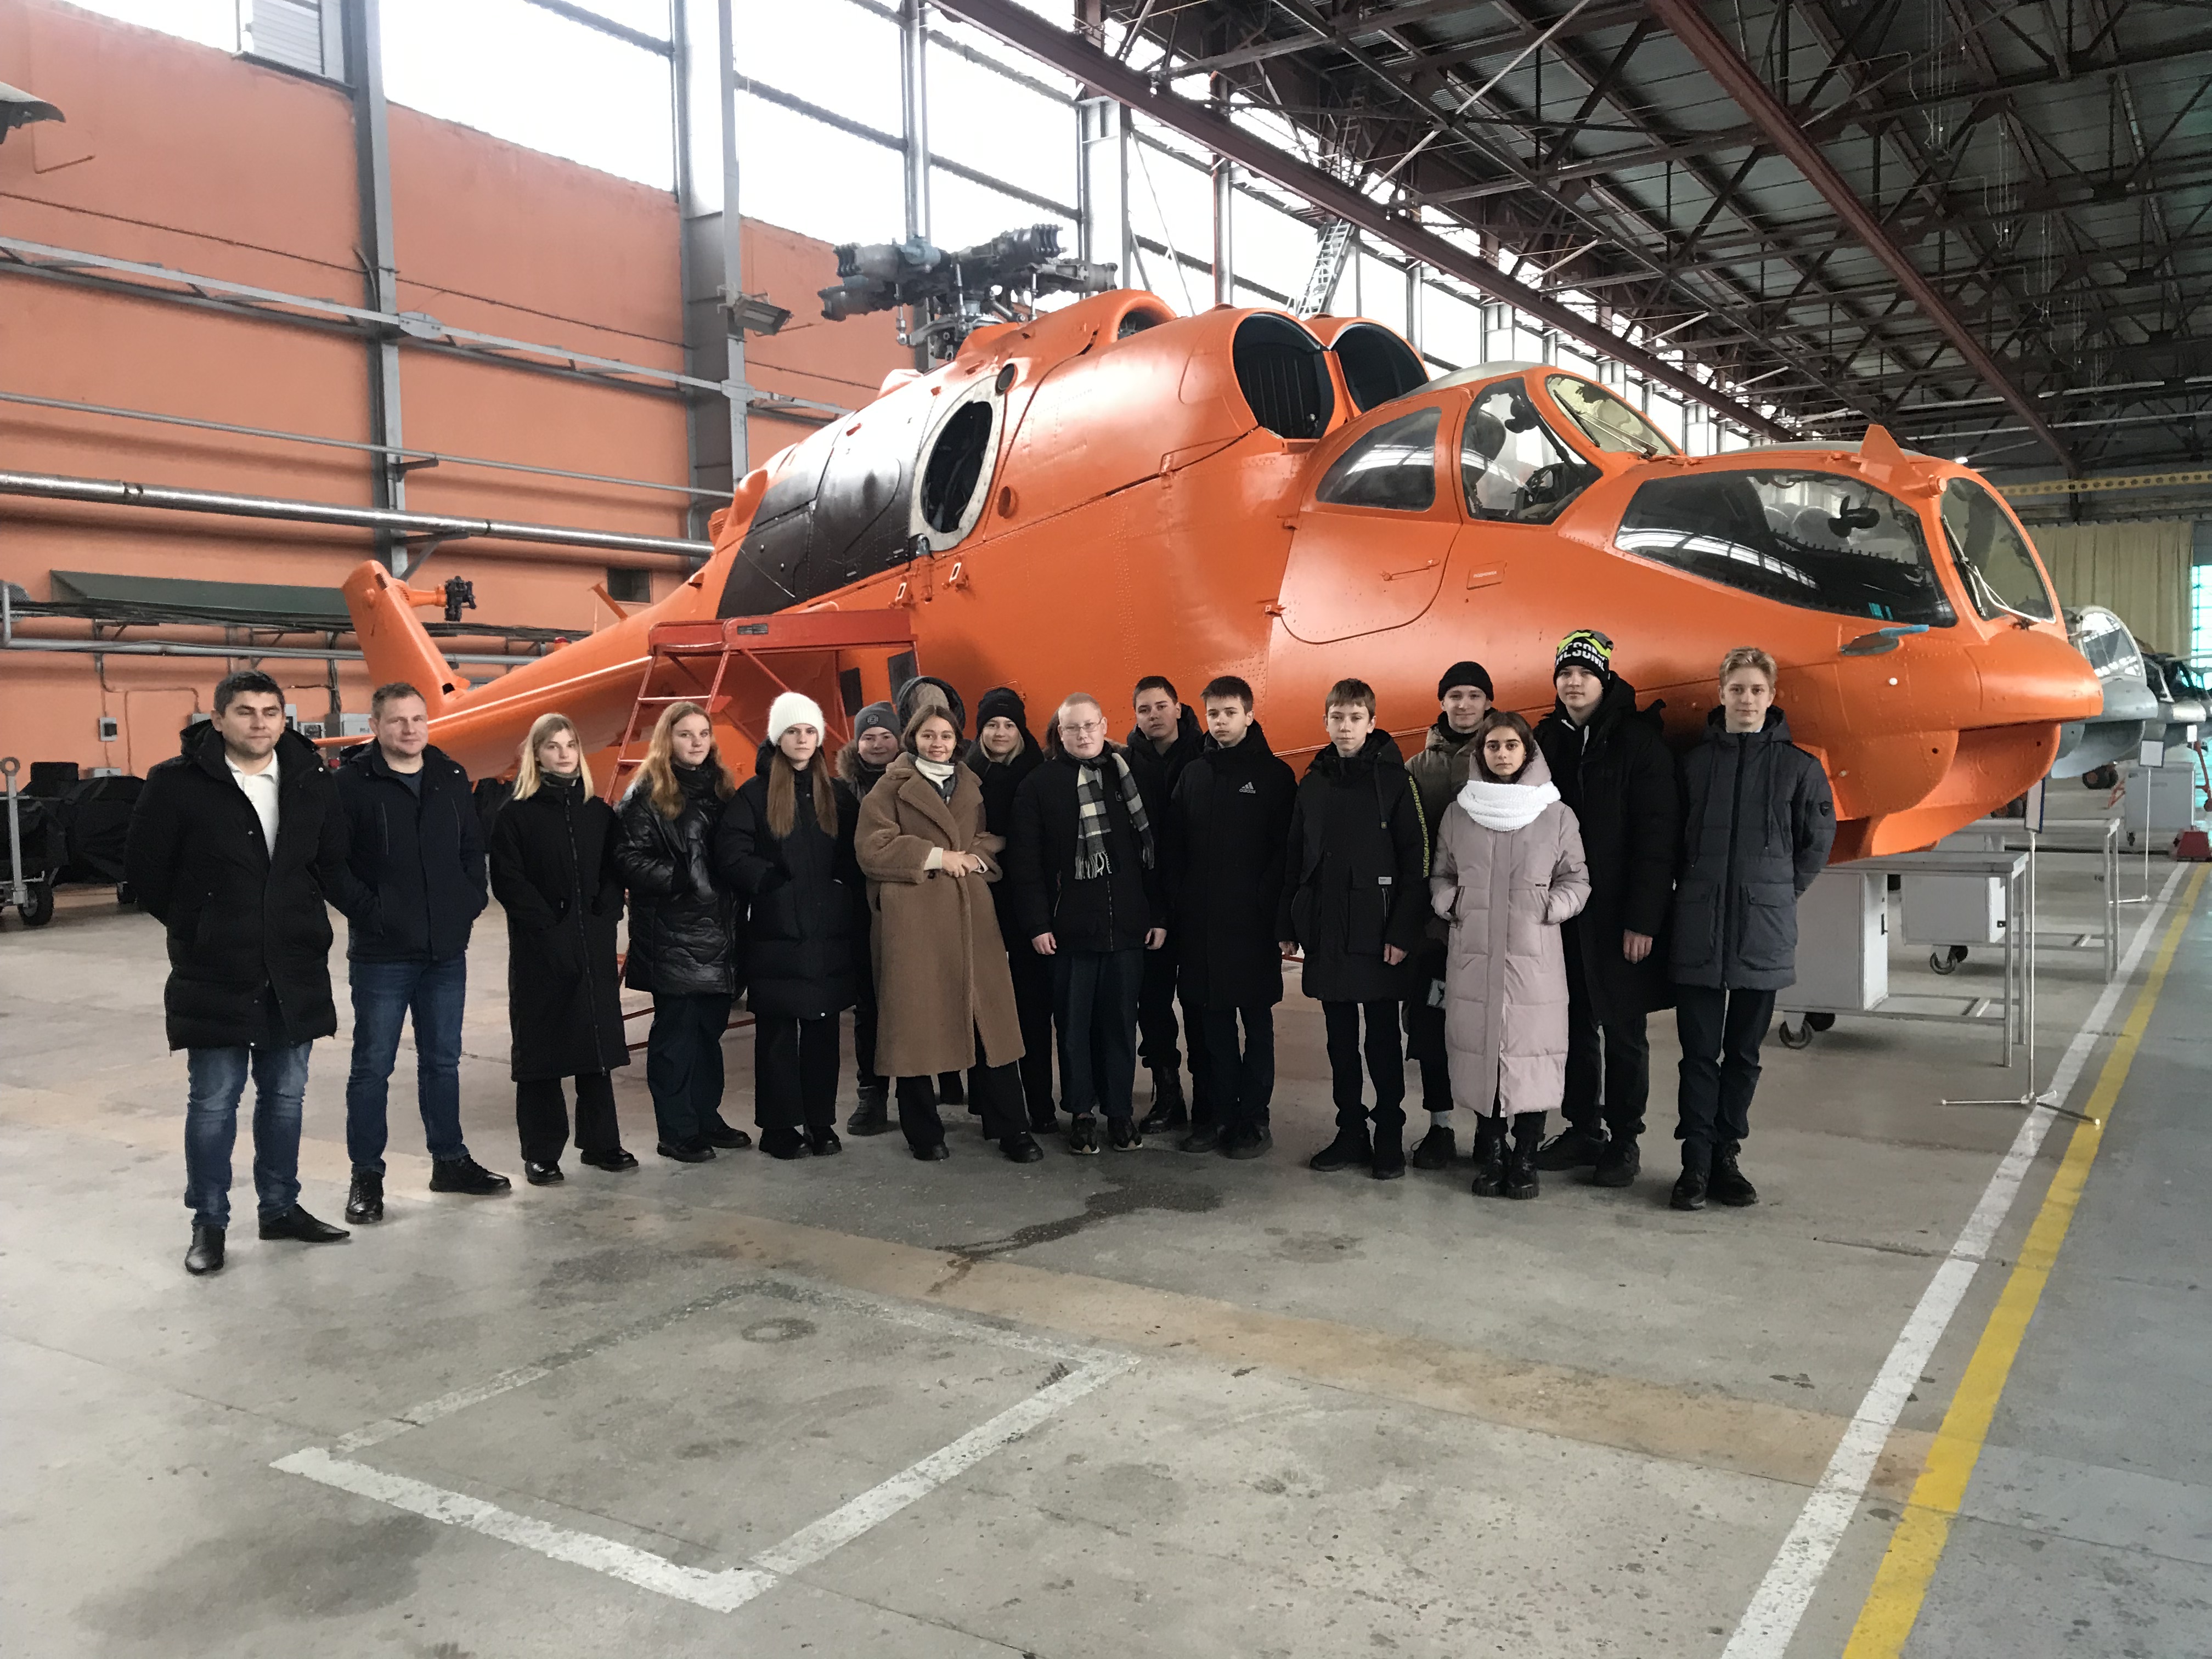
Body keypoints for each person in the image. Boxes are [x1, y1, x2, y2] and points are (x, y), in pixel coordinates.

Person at [126, 671, 369, 1274]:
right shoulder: (176, 784)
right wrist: (201, 922)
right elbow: (146, 874)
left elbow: (332, 861)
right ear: (218, 720)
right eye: (245, 712)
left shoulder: (312, 781)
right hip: (215, 969)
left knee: (285, 1097)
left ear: (285, 719)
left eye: (270, 712)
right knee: (213, 1101)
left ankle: (280, 1208)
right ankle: (209, 1223)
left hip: (293, 966)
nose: (260, 722)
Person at [1669, 647, 1835, 1211]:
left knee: (1742, 1054)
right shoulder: (1692, 765)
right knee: (1697, 1053)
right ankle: (1693, 1162)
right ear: (1720, 694)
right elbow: (1672, 842)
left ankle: (1726, 1157)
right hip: (1698, 927)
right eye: (1736, 689)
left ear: (1771, 696)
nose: (1745, 700)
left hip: (1761, 932)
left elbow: (1815, 847)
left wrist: (1778, 894)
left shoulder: (1799, 770)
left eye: (1756, 690)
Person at [334, 681, 505, 1222]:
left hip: (444, 950)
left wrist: (469, 901)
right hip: (383, 954)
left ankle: (449, 1161)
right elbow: (332, 865)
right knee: (372, 1068)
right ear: (377, 726)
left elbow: (471, 847)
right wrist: (374, 913)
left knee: (442, 1064)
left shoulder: (450, 777)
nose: (410, 730)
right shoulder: (354, 784)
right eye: (397, 721)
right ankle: (367, 1177)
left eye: (418, 719)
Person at [855, 706, 1038, 1162]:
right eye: (928, 736)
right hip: (916, 922)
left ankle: (1010, 1125)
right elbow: (872, 849)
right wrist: (937, 857)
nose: (938, 743)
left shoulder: (970, 785)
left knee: (991, 1024)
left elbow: (982, 839)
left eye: (946, 736)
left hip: (971, 915)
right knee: (916, 1026)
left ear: (959, 742)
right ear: (913, 739)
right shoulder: (889, 788)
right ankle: (924, 1131)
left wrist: (975, 859)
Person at [1532, 628, 1679, 1189]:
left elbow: (1658, 837)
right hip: (1561, 915)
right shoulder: (1546, 741)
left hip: (1619, 915)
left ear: (1604, 679)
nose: (1574, 682)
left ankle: (1624, 1139)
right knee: (1569, 1026)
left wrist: (1644, 919)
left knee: (1622, 1029)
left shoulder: (1639, 744)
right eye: (1565, 673)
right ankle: (1581, 1129)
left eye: (1584, 674)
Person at [1430, 712, 1590, 1200]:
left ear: (1528, 753)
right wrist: (1451, 902)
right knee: (1485, 1055)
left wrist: (1549, 907)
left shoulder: (1555, 814)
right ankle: (1493, 1152)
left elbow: (1577, 879)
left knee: (1530, 1056)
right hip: (1475, 956)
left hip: (1532, 960)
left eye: (1511, 746)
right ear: (1481, 753)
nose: (1502, 754)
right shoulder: (1461, 813)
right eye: (1493, 746)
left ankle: (1525, 1157)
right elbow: (1441, 873)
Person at [1278, 679, 1428, 1178]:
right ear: (1325, 722)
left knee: (1381, 1039)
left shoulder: (1395, 782)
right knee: (1339, 1040)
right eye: (1337, 718)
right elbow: (1294, 858)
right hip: (1325, 930)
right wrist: (1288, 922)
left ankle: (1389, 1133)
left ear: (1372, 721)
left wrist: (1403, 932)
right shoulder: (1313, 781)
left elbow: (1417, 860)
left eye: (1355, 718)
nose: (1345, 728)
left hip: (1378, 932)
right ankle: (1350, 1132)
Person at [1008, 693, 1167, 1155]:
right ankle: (1081, 1113)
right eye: (1073, 728)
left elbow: (1152, 855)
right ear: (1061, 734)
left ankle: (1119, 1113)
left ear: (1103, 726)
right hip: (1069, 932)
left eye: (1090, 726)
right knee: (1074, 1027)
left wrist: (1156, 915)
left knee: (1120, 1024)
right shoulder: (1039, 786)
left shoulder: (1128, 777)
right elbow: (1026, 863)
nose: (1083, 735)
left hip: (1128, 930)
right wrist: (1038, 924)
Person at [715, 692, 865, 1160]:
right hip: (777, 935)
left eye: (809, 731)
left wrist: (841, 889)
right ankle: (780, 1126)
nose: (802, 740)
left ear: (820, 737)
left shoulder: (837, 794)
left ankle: (821, 1122)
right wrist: (770, 885)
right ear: (778, 738)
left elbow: (857, 852)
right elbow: (731, 852)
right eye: (793, 731)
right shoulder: (755, 795)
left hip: (826, 932)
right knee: (778, 1035)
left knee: (822, 1032)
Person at [488, 713, 635, 1184]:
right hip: (540, 949)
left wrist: (605, 910)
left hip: (591, 942)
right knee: (541, 1052)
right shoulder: (516, 814)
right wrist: (546, 925)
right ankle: (542, 1151)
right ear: (536, 755)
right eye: (553, 746)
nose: (565, 753)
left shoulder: (598, 811)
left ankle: (601, 1143)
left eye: (571, 744)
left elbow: (616, 868)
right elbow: (508, 879)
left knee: (594, 1046)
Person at [1162, 676, 1296, 1158]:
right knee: (1212, 1026)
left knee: (1256, 1026)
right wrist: (1177, 903)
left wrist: (1277, 918)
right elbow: (1174, 847)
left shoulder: (1275, 778)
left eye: (1230, 713)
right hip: (1201, 926)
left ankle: (1254, 1121)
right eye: (1213, 714)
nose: (1221, 722)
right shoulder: (1193, 774)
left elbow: (1285, 855)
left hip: (1252, 928)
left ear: (1249, 715)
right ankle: (1219, 1115)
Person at [613, 701, 748, 1163]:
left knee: (709, 1034)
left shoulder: (722, 789)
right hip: (674, 934)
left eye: (703, 734)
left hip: (721, 934)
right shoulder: (648, 793)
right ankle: (676, 1131)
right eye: (685, 734)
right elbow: (627, 858)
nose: (696, 742)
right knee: (676, 1038)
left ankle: (706, 1117)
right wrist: (681, 879)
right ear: (667, 739)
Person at [1403, 660, 1493, 1170]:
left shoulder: (1508, 755)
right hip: (1436, 929)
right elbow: (1412, 847)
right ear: (1442, 702)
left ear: (1488, 703)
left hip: (1491, 927)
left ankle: (1488, 1129)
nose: (1464, 705)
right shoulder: (1418, 769)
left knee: (1486, 1034)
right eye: (1455, 695)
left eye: (1474, 696)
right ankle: (1439, 1126)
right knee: (1432, 1029)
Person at [966, 686, 1058, 1134]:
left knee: (1033, 1008)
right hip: (981, 903)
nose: (1001, 732)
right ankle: (991, 1106)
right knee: (985, 1006)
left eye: (1009, 724)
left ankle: (1040, 1105)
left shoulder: (1040, 773)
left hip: (1029, 906)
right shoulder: (965, 774)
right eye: (992, 725)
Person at [1125, 674, 1208, 1135]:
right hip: (1148, 905)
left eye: (1161, 706)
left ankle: (1208, 1096)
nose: (1153, 715)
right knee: (1153, 1005)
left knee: (1198, 1004)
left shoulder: (1205, 754)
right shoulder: (1123, 763)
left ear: (1179, 709)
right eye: (1144, 709)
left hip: (1195, 903)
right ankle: (1168, 1092)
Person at [837, 700, 902, 1135]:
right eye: (868, 736)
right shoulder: (841, 792)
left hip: (912, 906)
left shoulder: (920, 782)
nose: (877, 744)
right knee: (871, 1005)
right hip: (862, 911)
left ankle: (941, 1080)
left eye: (885, 735)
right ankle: (872, 1094)